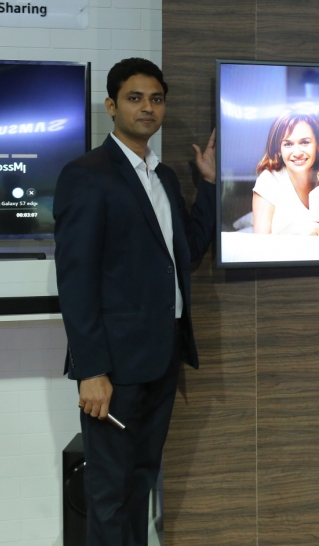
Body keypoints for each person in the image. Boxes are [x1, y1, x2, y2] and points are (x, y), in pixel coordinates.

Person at [54, 57, 216, 546]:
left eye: (156, 99)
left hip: (162, 356)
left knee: (141, 480)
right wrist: (91, 370)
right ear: (111, 105)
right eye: (135, 98)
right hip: (114, 367)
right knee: (109, 492)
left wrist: (208, 184)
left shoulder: (163, 176)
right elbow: (76, 280)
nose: (148, 107)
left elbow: (187, 250)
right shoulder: (87, 174)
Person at [252, 113, 319, 235]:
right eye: (288, 144)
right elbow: (260, 242)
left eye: (304, 142)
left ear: (318, 144)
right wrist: (293, 231)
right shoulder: (269, 180)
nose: (297, 153)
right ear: (278, 149)